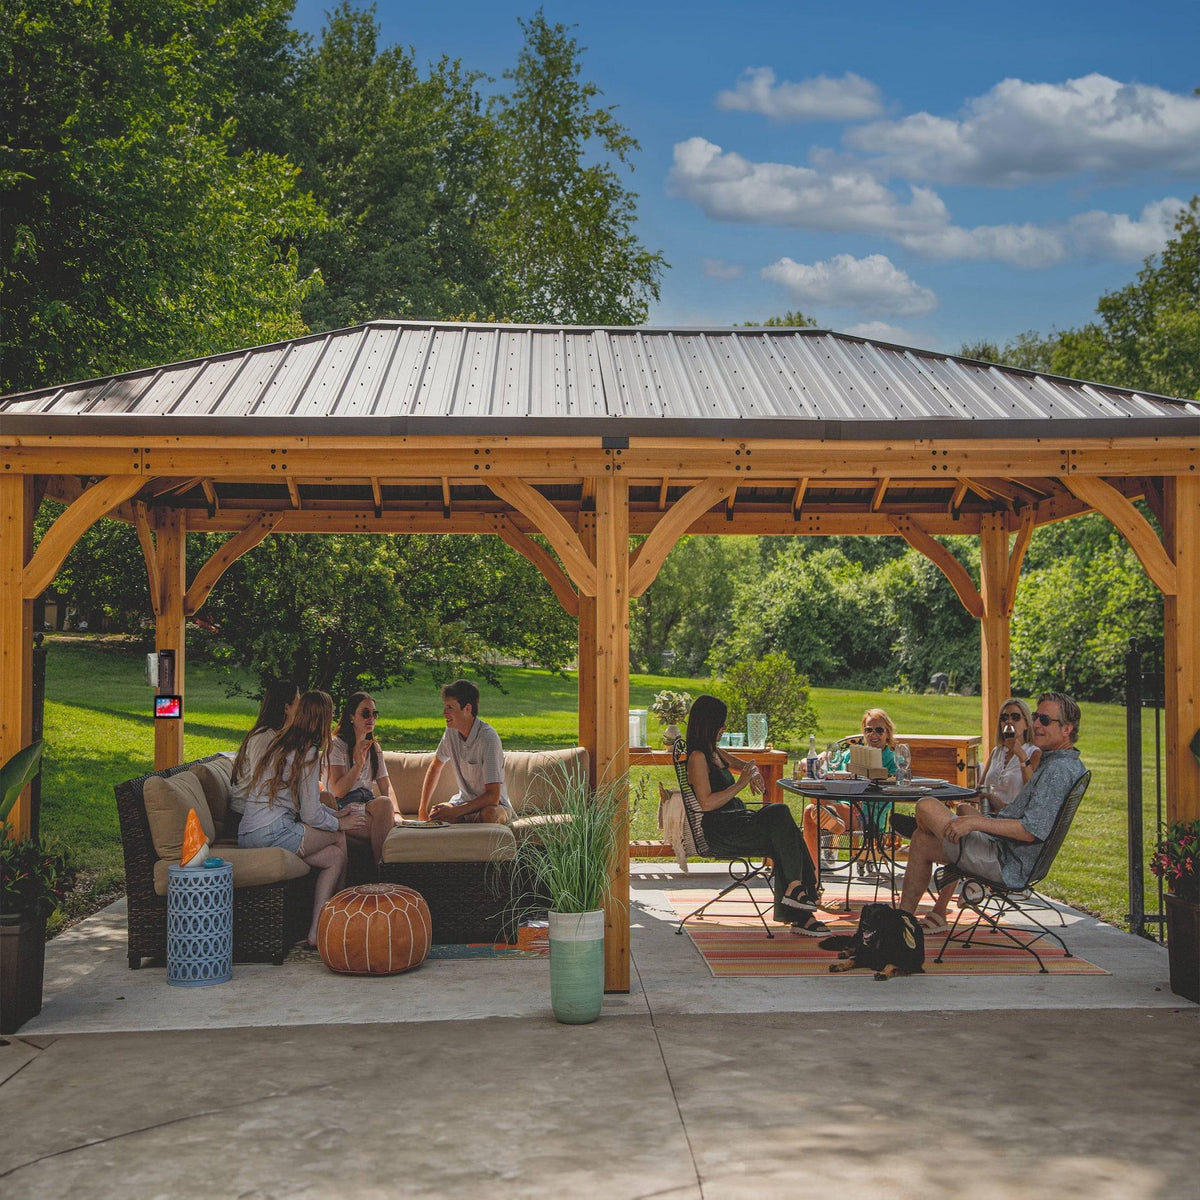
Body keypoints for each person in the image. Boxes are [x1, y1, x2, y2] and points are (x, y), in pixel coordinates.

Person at [897, 692, 1086, 930]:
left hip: (1005, 861)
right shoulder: (1059, 762)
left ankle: (925, 827)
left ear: (1067, 729)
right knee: (921, 839)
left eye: (1045, 720)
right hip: (1002, 848)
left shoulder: (1057, 770)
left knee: (926, 805)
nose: (1036, 723)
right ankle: (902, 923)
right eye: (1037, 717)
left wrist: (974, 824)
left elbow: (1030, 831)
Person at [685, 694, 829, 936]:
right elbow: (707, 803)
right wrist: (740, 784)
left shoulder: (714, 752)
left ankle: (798, 897)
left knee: (783, 829)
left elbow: (747, 765)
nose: (725, 728)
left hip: (737, 822)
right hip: (722, 831)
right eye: (721, 723)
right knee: (780, 817)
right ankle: (802, 902)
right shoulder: (697, 758)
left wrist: (753, 772)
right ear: (709, 725)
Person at [239, 690, 368, 947]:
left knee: (334, 857)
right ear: (322, 718)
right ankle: (337, 919)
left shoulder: (280, 743)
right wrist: (341, 823)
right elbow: (309, 814)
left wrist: (335, 813)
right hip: (273, 832)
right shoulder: (307, 753)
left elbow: (302, 808)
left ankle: (316, 932)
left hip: (248, 834)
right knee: (339, 836)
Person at [802, 708, 896, 868]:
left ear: (887, 732)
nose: (873, 735)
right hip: (843, 807)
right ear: (864, 732)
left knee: (812, 812)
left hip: (868, 816)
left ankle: (815, 865)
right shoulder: (851, 755)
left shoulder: (891, 760)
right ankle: (832, 826)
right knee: (812, 810)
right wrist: (817, 759)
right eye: (868, 730)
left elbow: (893, 792)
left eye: (879, 730)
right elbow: (825, 766)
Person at [418, 680, 513, 825]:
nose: (444, 713)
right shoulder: (451, 732)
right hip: (463, 803)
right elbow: (435, 766)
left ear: (467, 708)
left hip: (494, 806)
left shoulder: (488, 738)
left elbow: (493, 796)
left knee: (490, 815)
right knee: (436, 814)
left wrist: (455, 812)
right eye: (445, 707)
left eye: (450, 707)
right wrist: (422, 809)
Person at [327, 692, 401, 863]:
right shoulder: (336, 745)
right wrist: (358, 764)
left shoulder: (374, 748)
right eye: (365, 713)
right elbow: (339, 790)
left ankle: (381, 875)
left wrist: (396, 813)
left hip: (367, 802)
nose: (371, 719)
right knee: (382, 827)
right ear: (351, 717)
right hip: (343, 805)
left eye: (374, 714)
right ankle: (381, 875)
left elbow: (385, 785)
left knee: (384, 803)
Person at [228, 678, 301, 830]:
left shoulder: (282, 735)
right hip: (245, 816)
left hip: (268, 810)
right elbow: (260, 784)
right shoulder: (262, 738)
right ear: (286, 708)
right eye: (298, 703)